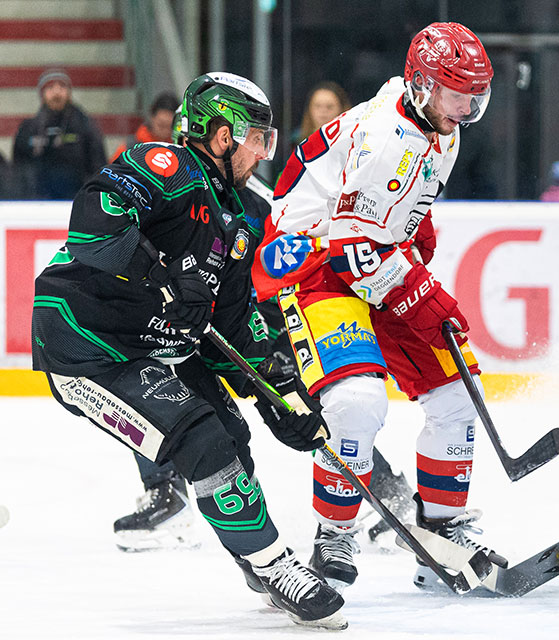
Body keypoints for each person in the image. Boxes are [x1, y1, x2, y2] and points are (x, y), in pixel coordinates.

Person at [31, 71, 346, 629]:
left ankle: (254, 556)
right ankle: (273, 563)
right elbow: (92, 222)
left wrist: (280, 393)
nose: (262, 151)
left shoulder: (241, 217)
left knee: (232, 437)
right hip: (86, 342)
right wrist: (160, 277)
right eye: (255, 137)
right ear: (221, 135)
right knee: (200, 438)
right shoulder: (168, 167)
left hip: (155, 344)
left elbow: (231, 325)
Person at [252, 22, 504, 592]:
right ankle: (332, 533)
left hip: (369, 252)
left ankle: (441, 530)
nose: (465, 107)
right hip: (313, 262)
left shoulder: (436, 118)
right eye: (454, 92)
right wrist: (419, 293)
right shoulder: (388, 139)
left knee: (457, 393)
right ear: (420, 85)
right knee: (357, 402)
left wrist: (416, 222)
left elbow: (390, 214)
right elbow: (350, 253)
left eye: (473, 94)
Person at [12, 69, 106, 200]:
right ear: (42, 94)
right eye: (50, 87)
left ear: (69, 93)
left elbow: (98, 166)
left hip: (78, 201)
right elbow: (18, 170)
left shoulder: (86, 127)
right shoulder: (28, 129)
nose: (57, 93)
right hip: (36, 203)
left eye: (62, 87)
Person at [110, 91, 180, 161]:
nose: (165, 131)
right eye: (161, 125)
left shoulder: (180, 150)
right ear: (152, 118)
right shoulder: (129, 150)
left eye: (170, 127)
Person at [290, 81, 352, 145]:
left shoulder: (352, 141)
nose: (323, 111)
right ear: (309, 109)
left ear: (342, 109)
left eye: (329, 107)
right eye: (317, 106)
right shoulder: (295, 141)